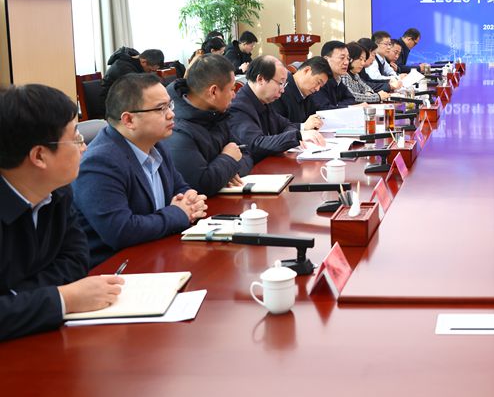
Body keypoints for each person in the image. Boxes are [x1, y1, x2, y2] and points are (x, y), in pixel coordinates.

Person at [0, 84, 125, 342]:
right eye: (76, 138)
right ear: (39, 156)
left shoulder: (58, 192)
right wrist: (62, 299)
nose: (84, 148)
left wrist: (17, 298)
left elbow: (76, 260)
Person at [74, 74, 207, 266]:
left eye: (170, 105)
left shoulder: (156, 144)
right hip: (118, 267)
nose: (171, 114)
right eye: (161, 109)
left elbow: (180, 187)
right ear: (128, 120)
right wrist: (179, 213)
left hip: (157, 252)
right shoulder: (100, 162)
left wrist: (191, 200)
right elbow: (121, 230)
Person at [163, 53, 254, 196]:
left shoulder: (216, 113)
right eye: (231, 89)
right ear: (213, 92)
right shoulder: (177, 128)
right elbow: (199, 184)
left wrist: (227, 171)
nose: (234, 95)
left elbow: (245, 154)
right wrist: (228, 160)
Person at [229, 56, 325, 159]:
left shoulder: (264, 101)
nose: (282, 90)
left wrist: (294, 136)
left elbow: (286, 125)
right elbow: (255, 144)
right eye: (280, 83)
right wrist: (298, 136)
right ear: (260, 79)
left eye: (284, 84)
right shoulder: (239, 107)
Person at [273, 56, 333, 124]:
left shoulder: (308, 95)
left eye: (321, 86)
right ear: (306, 70)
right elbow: (278, 126)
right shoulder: (281, 91)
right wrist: (303, 126)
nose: (317, 89)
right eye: (318, 82)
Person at [313, 41, 361, 110]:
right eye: (342, 58)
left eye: (348, 58)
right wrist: (341, 106)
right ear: (326, 59)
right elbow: (324, 108)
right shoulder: (319, 80)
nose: (346, 62)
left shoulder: (338, 79)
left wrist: (337, 105)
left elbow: (351, 99)